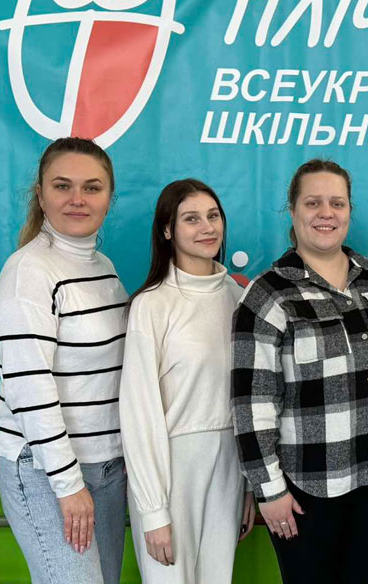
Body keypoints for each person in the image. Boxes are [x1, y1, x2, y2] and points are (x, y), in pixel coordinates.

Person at [231, 159, 368, 584]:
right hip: (304, 489)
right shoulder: (267, 293)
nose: (325, 213)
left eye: (337, 203)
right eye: (312, 203)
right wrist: (269, 491)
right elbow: (251, 403)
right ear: (292, 211)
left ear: (349, 210)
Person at [0, 137, 127, 584]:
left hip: (105, 465)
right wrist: (68, 486)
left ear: (109, 197)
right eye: (63, 186)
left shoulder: (103, 268)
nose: (77, 199)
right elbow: (30, 387)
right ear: (41, 194)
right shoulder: (28, 272)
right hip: (46, 470)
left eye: (92, 187)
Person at [119, 179, 255, 584]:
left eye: (213, 216)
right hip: (172, 469)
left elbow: (251, 398)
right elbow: (139, 413)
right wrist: (153, 510)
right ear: (167, 230)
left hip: (229, 465)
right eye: (191, 219)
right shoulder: (152, 304)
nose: (207, 227)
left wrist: (250, 485)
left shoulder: (239, 298)